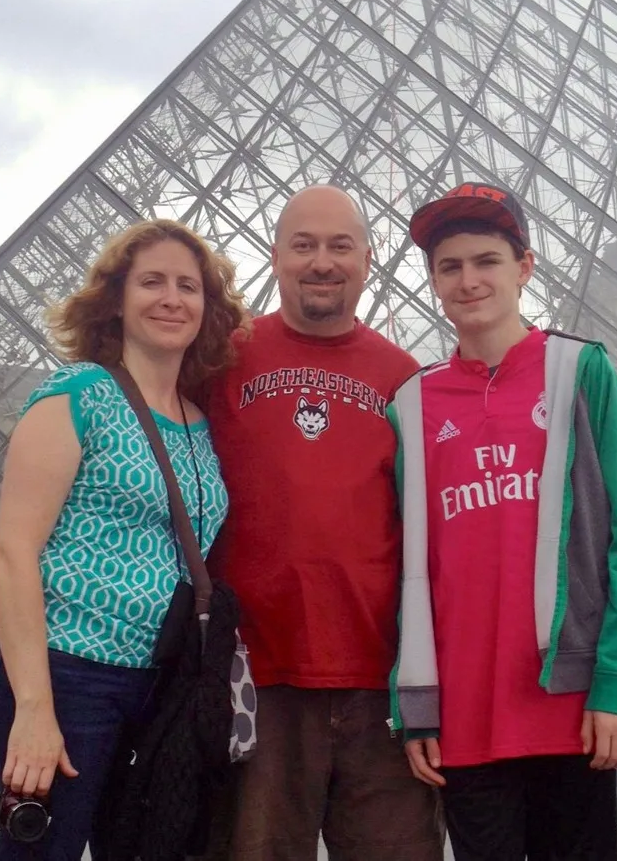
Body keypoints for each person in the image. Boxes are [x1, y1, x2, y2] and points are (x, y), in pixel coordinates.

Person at [389, 182, 617, 861]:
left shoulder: (580, 369)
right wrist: (415, 705)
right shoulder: (411, 403)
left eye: (486, 260)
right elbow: (405, 571)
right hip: (464, 719)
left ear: (524, 267)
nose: (468, 280)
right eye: (449, 267)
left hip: (569, 708)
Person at [0, 220, 248, 861]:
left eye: (188, 286)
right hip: (70, 678)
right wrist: (34, 709)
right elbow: (13, 553)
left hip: (160, 688)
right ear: (116, 299)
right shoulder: (77, 396)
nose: (171, 298)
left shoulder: (200, 422)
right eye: (151, 281)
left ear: (207, 309)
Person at [205, 185, 442, 861]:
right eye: (303, 244)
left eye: (340, 246)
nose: (322, 262)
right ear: (275, 256)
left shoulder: (406, 379)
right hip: (255, 677)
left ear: (368, 259)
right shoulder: (219, 360)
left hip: (380, 679)